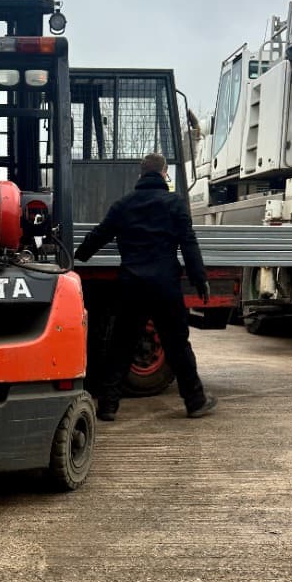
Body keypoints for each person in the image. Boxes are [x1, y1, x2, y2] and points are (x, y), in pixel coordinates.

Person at [73, 152, 217, 422]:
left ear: (140, 176)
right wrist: (200, 279)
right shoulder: (174, 204)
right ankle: (195, 401)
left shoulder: (124, 205)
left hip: (132, 286)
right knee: (177, 344)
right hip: (165, 286)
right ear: (164, 174)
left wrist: (76, 257)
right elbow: (189, 244)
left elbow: (100, 234)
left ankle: (107, 406)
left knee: (121, 345)